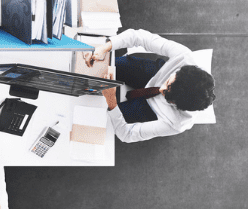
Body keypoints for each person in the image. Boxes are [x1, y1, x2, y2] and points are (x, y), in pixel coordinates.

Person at [84, 29, 215, 143]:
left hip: (150, 110)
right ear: (180, 71)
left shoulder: (177, 123)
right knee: (101, 65)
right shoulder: (184, 57)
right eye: (168, 84)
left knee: (98, 119)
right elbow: (140, 37)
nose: (162, 89)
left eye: (168, 97)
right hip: (154, 74)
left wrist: (111, 101)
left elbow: (127, 134)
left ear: (178, 106)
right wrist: (105, 48)